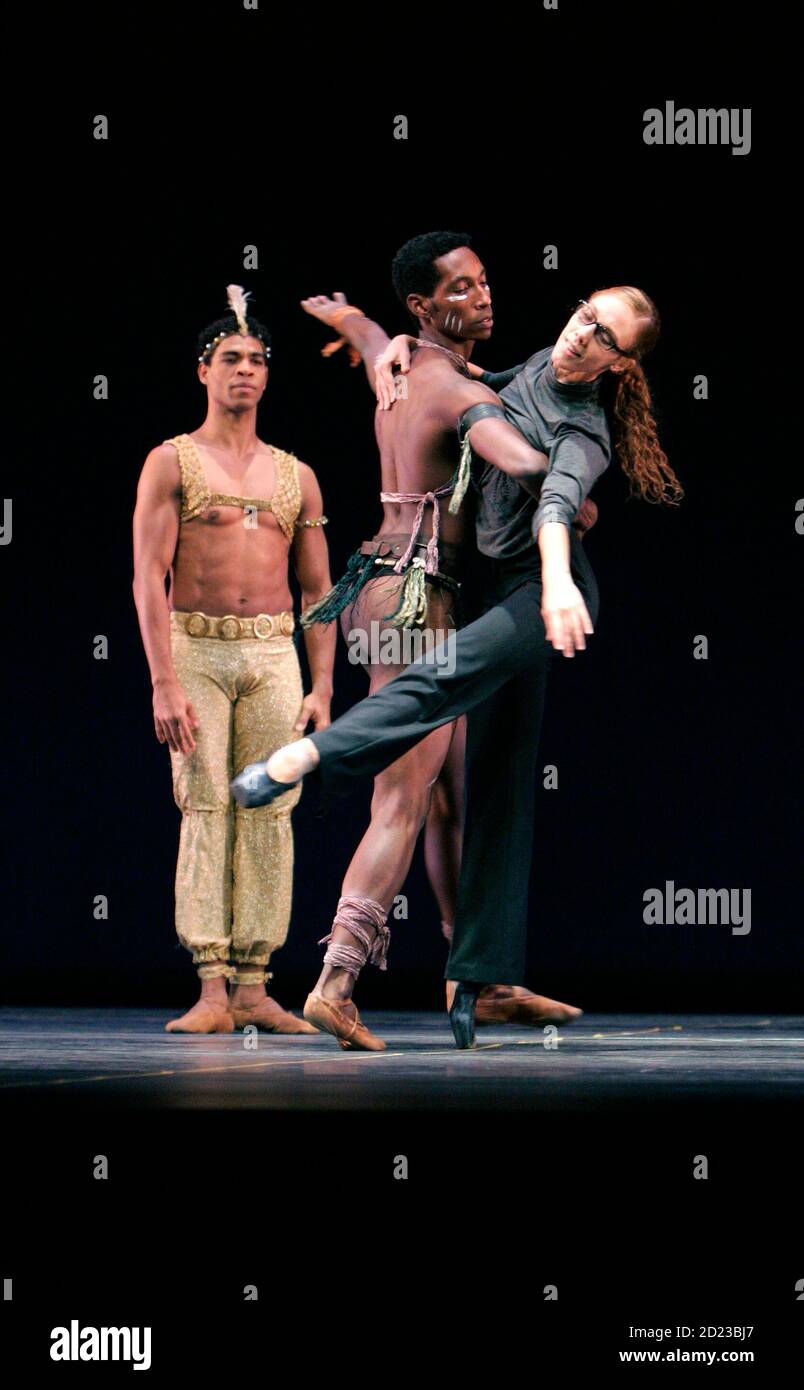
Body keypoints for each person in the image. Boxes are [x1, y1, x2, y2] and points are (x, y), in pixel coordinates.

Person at [233, 281, 683, 1048]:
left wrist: (559, 566)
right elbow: (487, 396)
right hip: (465, 591)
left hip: (540, 591)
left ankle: (472, 962)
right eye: (585, 318)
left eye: (605, 338)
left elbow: (554, 497)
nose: (583, 338)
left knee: (462, 732)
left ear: (621, 365)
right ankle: (422, 973)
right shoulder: (506, 369)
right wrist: (366, 328)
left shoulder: (575, 428)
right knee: (457, 776)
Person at [288, 233, 584, 1052]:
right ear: (425, 306)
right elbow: (507, 449)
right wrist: (562, 485)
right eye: (460, 288)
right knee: (406, 795)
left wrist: (352, 319)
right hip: (416, 598)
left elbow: (378, 340)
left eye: (485, 281)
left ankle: (477, 978)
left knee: (449, 795)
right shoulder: (453, 387)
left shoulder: (406, 359)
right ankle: (336, 980)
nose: (482, 296)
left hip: (394, 585)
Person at [132, 285, 335, 1035]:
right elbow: (147, 575)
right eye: (229, 359)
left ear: (267, 375)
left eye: (255, 360)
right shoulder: (170, 461)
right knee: (205, 803)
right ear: (204, 372)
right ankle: (211, 985)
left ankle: (255, 983)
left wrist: (321, 688)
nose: (243, 370)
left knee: (269, 807)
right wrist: (163, 680)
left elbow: (318, 590)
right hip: (197, 647)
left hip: (272, 653)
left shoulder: (296, 475)